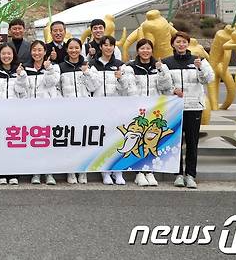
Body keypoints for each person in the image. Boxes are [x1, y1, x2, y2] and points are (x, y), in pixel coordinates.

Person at [162, 31, 214, 189]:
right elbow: (162, 86)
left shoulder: (199, 61)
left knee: (192, 143)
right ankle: (178, 174)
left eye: (184, 42)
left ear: (188, 43)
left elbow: (208, 79)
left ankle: (191, 175)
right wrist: (173, 90)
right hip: (174, 108)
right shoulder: (166, 62)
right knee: (175, 142)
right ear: (173, 44)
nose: (181, 44)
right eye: (178, 42)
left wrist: (199, 68)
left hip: (194, 107)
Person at [123, 38, 174, 187]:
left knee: (152, 141)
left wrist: (161, 70)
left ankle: (150, 171)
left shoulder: (160, 66)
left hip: (155, 110)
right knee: (139, 140)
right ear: (138, 50)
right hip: (139, 111)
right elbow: (130, 88)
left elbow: (166, 86)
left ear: (152, 50)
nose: (145, 51)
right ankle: (139, 172)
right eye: (142, 48)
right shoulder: (130, 67)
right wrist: (138, 107)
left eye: (148, 48)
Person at [88, 35, 134, 185]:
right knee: (103, 140)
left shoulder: (121, 65)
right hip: (99, 107)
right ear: (100, 47)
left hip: (117, 108)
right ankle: (105, 171)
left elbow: (125, 88)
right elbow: (91, 87)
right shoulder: (93, 65)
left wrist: (120, 78)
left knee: (117, 139)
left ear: (114, 47)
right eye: (105, 45)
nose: (108, 48)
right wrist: (87, 73)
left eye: (111, 45)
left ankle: (118, 171)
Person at [58, 37, 101, 185]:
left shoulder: (89, 65)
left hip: (85, 110)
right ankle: (71, 170)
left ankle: (83, 170)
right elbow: (57, 88)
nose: (74, 50)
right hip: (67, 110)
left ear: (80, 49)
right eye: (71, 48)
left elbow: (94, 87)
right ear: (66, 49)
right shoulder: (61, 67)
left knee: (84, 141)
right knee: (70, 140)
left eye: (76, 47)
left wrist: (86, 73)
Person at [0, 43, 28, 185]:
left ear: (13, 55)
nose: (6, 56)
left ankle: (13, 172)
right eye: (3, 53)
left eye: (9, 53)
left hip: (15, 114)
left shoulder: (20, 70)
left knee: (13, 144)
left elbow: (22, 93)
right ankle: (0, 173)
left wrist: (20, 77)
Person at [24, 40, 60, 185]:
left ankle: (49, 172)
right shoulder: (25, 68)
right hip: (31, 112)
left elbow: (52, 83)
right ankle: (36, 172)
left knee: (47, 142)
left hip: (47, 111)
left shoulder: (54, 67)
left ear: (45, 52)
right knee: (34, 142)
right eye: (34, 50)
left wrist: (48, 69)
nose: (37, 53)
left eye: (40, 50)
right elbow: (23, 88)